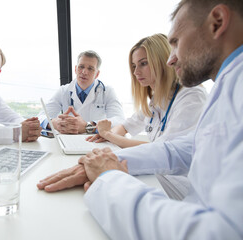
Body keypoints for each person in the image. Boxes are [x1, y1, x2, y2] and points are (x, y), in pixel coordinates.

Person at [38, 0, 243, 238]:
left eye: (175, 43)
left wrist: (109, 179)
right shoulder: (227, 86)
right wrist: (109, 159)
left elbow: (220, 232)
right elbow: (179, 150)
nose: (171, 59)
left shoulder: (214, 93)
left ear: (217, 22)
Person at [87, 34, 206, 148]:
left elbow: (164, 150)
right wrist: (107, 135)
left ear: (163, 61)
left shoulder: (191, 96)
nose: (136, 72)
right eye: (134, 66)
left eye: (143, 63)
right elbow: (125, 126)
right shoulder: (157, 100)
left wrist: (108, 134)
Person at [38, 50, 125, 134]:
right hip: (69, 140)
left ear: (97, 74)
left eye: (90, 68)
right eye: (81, 67)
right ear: (75, 69)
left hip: (96, 141)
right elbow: (41, 117)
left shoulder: (107, 91)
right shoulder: (64, 91)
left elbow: (120, 120)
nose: (84, 72)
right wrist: (54, 123)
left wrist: (89, 126)